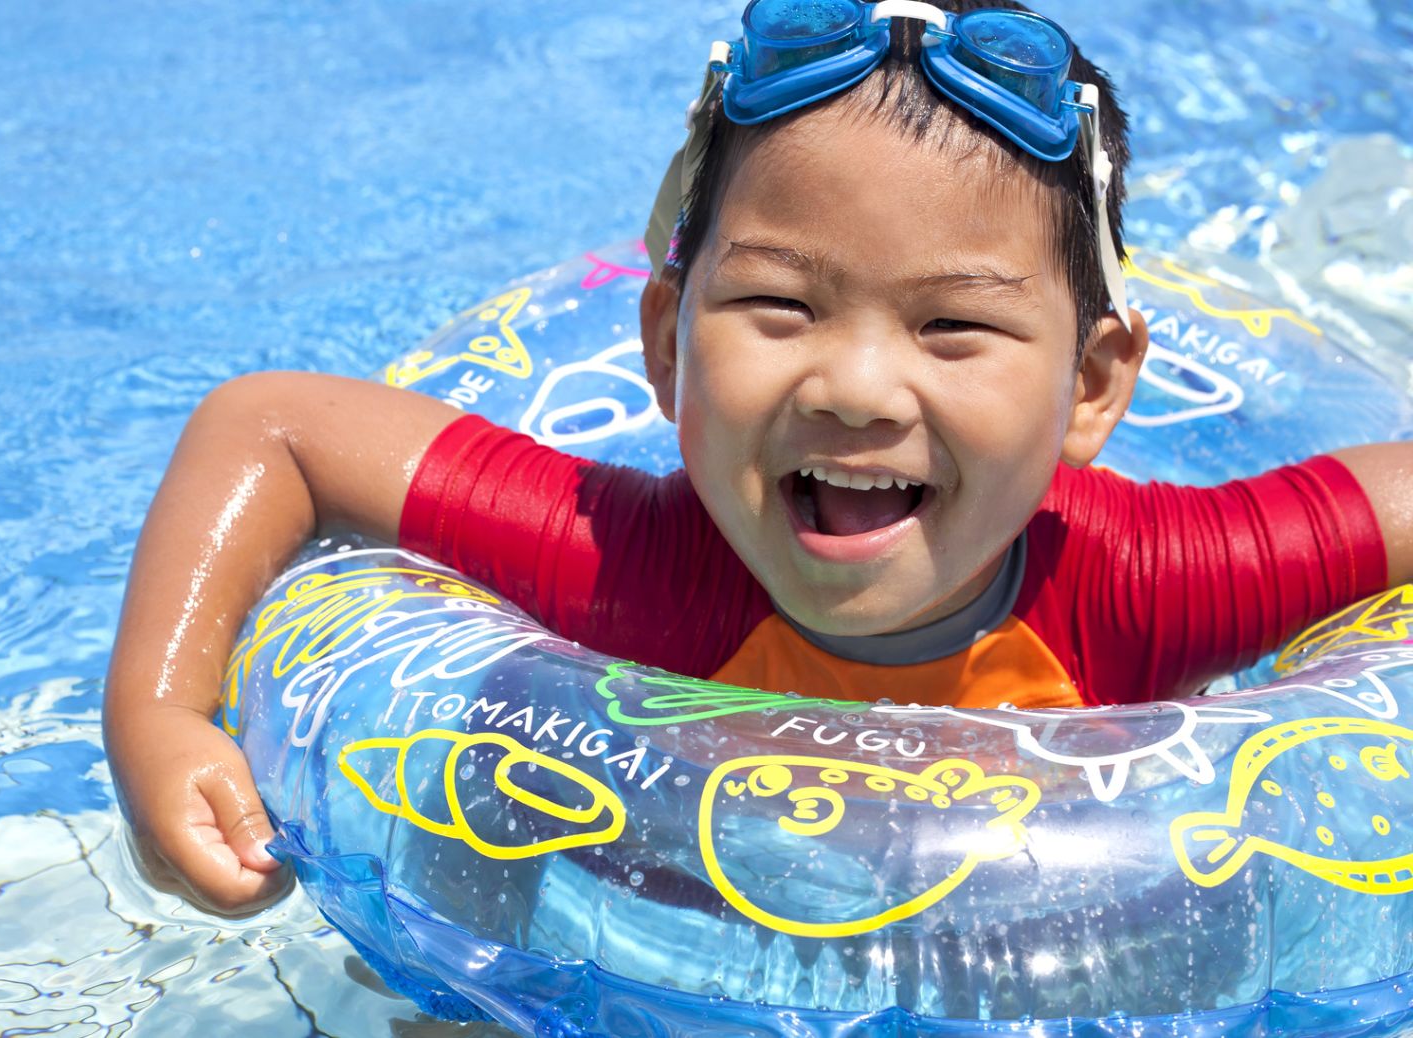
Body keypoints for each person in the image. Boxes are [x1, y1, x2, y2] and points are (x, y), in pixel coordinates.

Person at [103, 0, 1413, 916]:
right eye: (779, 307)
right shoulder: (627, 562)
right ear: (667, 342)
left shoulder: (1148, 582)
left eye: (953, 325)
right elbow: (268, 425)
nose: (852, 385)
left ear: (1088, 385)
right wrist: (158, 716)